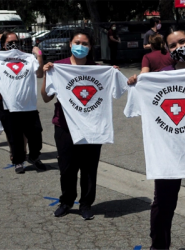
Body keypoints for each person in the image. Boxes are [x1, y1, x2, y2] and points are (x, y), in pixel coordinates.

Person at [127, 26, 185, 250]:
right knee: (163, 204)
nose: (179, 47)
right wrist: (137, 84)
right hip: (168, 151)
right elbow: (145, 105)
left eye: (182, 42)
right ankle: (159, 246)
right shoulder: (160, 76)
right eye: (173, 45)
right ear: (167, 50)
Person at [41, 29, 120, 220]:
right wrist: (46, 75)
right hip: (64, 126)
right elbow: (45, 98)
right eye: (77, 42)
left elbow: (117, 90)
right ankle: (66, 202)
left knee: (89, 169)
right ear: (70, 44)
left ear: (90, 47)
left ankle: (86, 204)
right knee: (67, 168)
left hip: (92, 127)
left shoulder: (99, 69)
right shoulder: (58, 67)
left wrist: (114, 74)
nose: (80, 47)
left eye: (85, 44)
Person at [0, 31, 46, 174]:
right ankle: (18, 161)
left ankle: (34, 156)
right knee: (14, 135)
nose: (14, 44)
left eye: (16, 41)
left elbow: (39, 74)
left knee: (36, 133)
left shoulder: (28, 57)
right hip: (7, 103)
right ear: (3, 44)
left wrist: (39, 55)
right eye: (10, 41)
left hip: (28, 103)